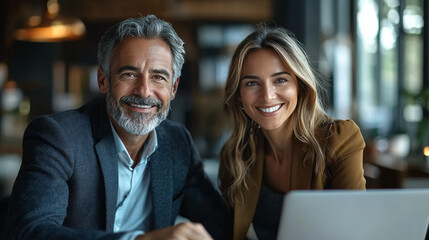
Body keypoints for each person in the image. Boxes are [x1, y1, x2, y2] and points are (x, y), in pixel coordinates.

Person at [6, 14, 231, 240]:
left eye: (158, 77)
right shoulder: (57, 137)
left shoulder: (177, 142)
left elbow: (220, 223)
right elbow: (30, 232)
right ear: (103, 81)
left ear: (173, 89)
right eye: (129, 74)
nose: (144, 91)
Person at [218, 24, 366, 240]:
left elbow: (354, 231)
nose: (267, 96)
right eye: (252, 83)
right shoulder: (235, 155)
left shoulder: (340, 139)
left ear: (300, 85)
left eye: (280, 80)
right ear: (239, 95)